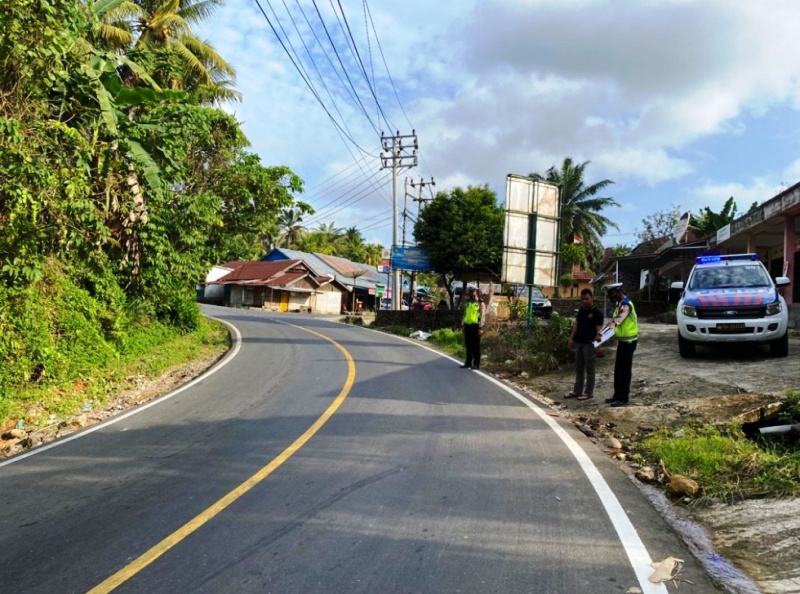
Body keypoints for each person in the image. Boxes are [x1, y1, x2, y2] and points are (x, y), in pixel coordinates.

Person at [599, 283, 638, 407]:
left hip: (629, 342)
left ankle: (623, 398)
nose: (611, 296)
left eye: (612, 293)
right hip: (622, 342)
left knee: (624, 371)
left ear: (619, 291)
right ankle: (617, 395)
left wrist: (601, 334)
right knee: (618, 370)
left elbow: (617, 321)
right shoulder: (620, 304)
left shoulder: (626, 305)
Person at [566, 288, 603, 401]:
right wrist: (571, 338)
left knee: (590, 369)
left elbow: (599, 331)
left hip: (590, 344)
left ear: (592, 298)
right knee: (579, 368)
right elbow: (576, 325)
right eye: (582, 299)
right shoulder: (581, 311)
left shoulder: (597, 313)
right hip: (580, 343)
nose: (584, 301)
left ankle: (588, 392)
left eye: (586, 299)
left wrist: (598, 346)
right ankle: (577, 391)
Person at [460, 287, 486, 370]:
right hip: (467, 326)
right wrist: (462, 325)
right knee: (468, 345)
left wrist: (481, 327)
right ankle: (468, 363)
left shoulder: (480, 303)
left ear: (477, 292)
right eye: (470, 291)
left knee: (475, 346)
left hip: (476, 326)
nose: (471, 293)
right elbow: (464, 314)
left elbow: (482, 316)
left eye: (473, 291)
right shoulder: (468, 303)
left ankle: (476, 364)